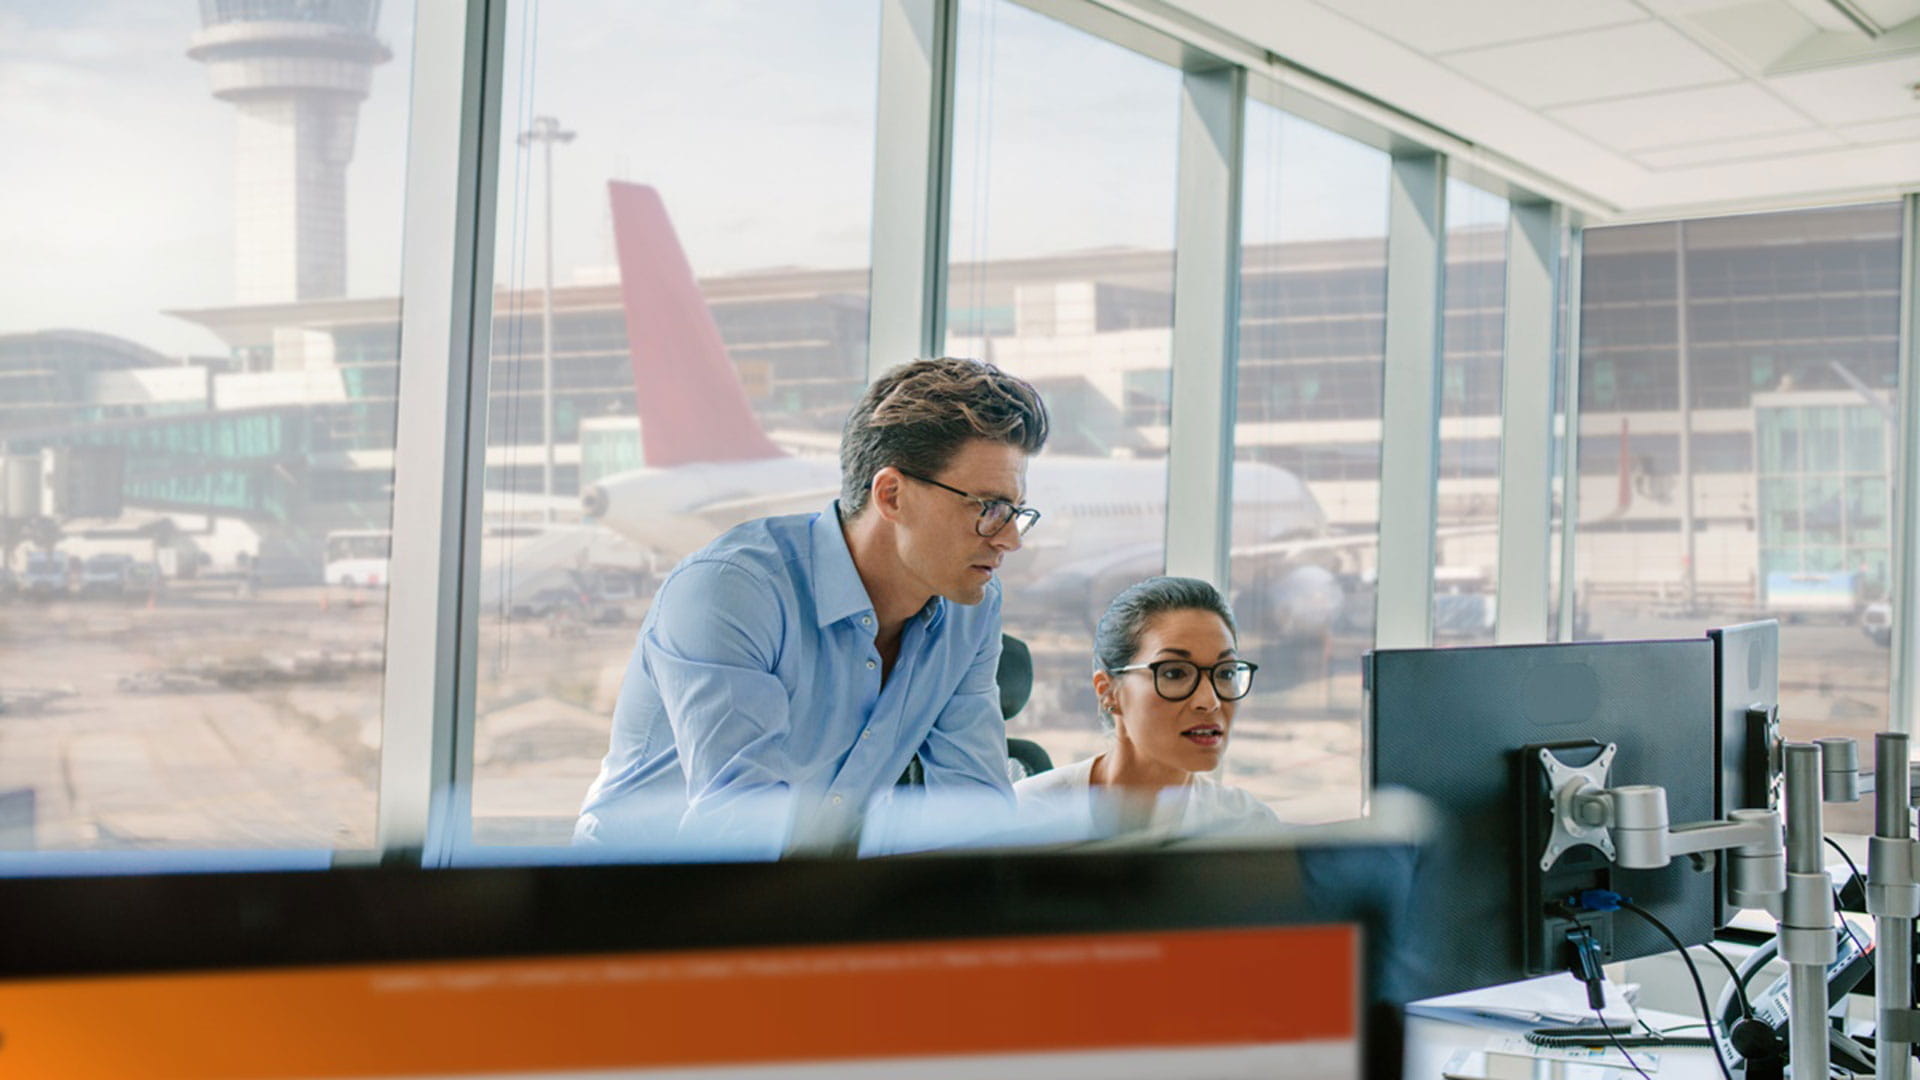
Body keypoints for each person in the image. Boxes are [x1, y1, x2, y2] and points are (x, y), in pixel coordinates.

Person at [575, 358, 1049, 855]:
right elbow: (738, 828)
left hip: (813, 901)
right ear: (891, 496)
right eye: (989, 509)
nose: (1010, 540)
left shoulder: (969, 606)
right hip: (639, 906)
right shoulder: (733, 590)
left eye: (1016, 512)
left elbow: (973, 814)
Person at [1014, 576, 1279, 839]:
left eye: (1226, 674)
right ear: (1108, 692)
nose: (1210, 702)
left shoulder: (1249, 827)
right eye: (1175, 673)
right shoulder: (1024, 817)